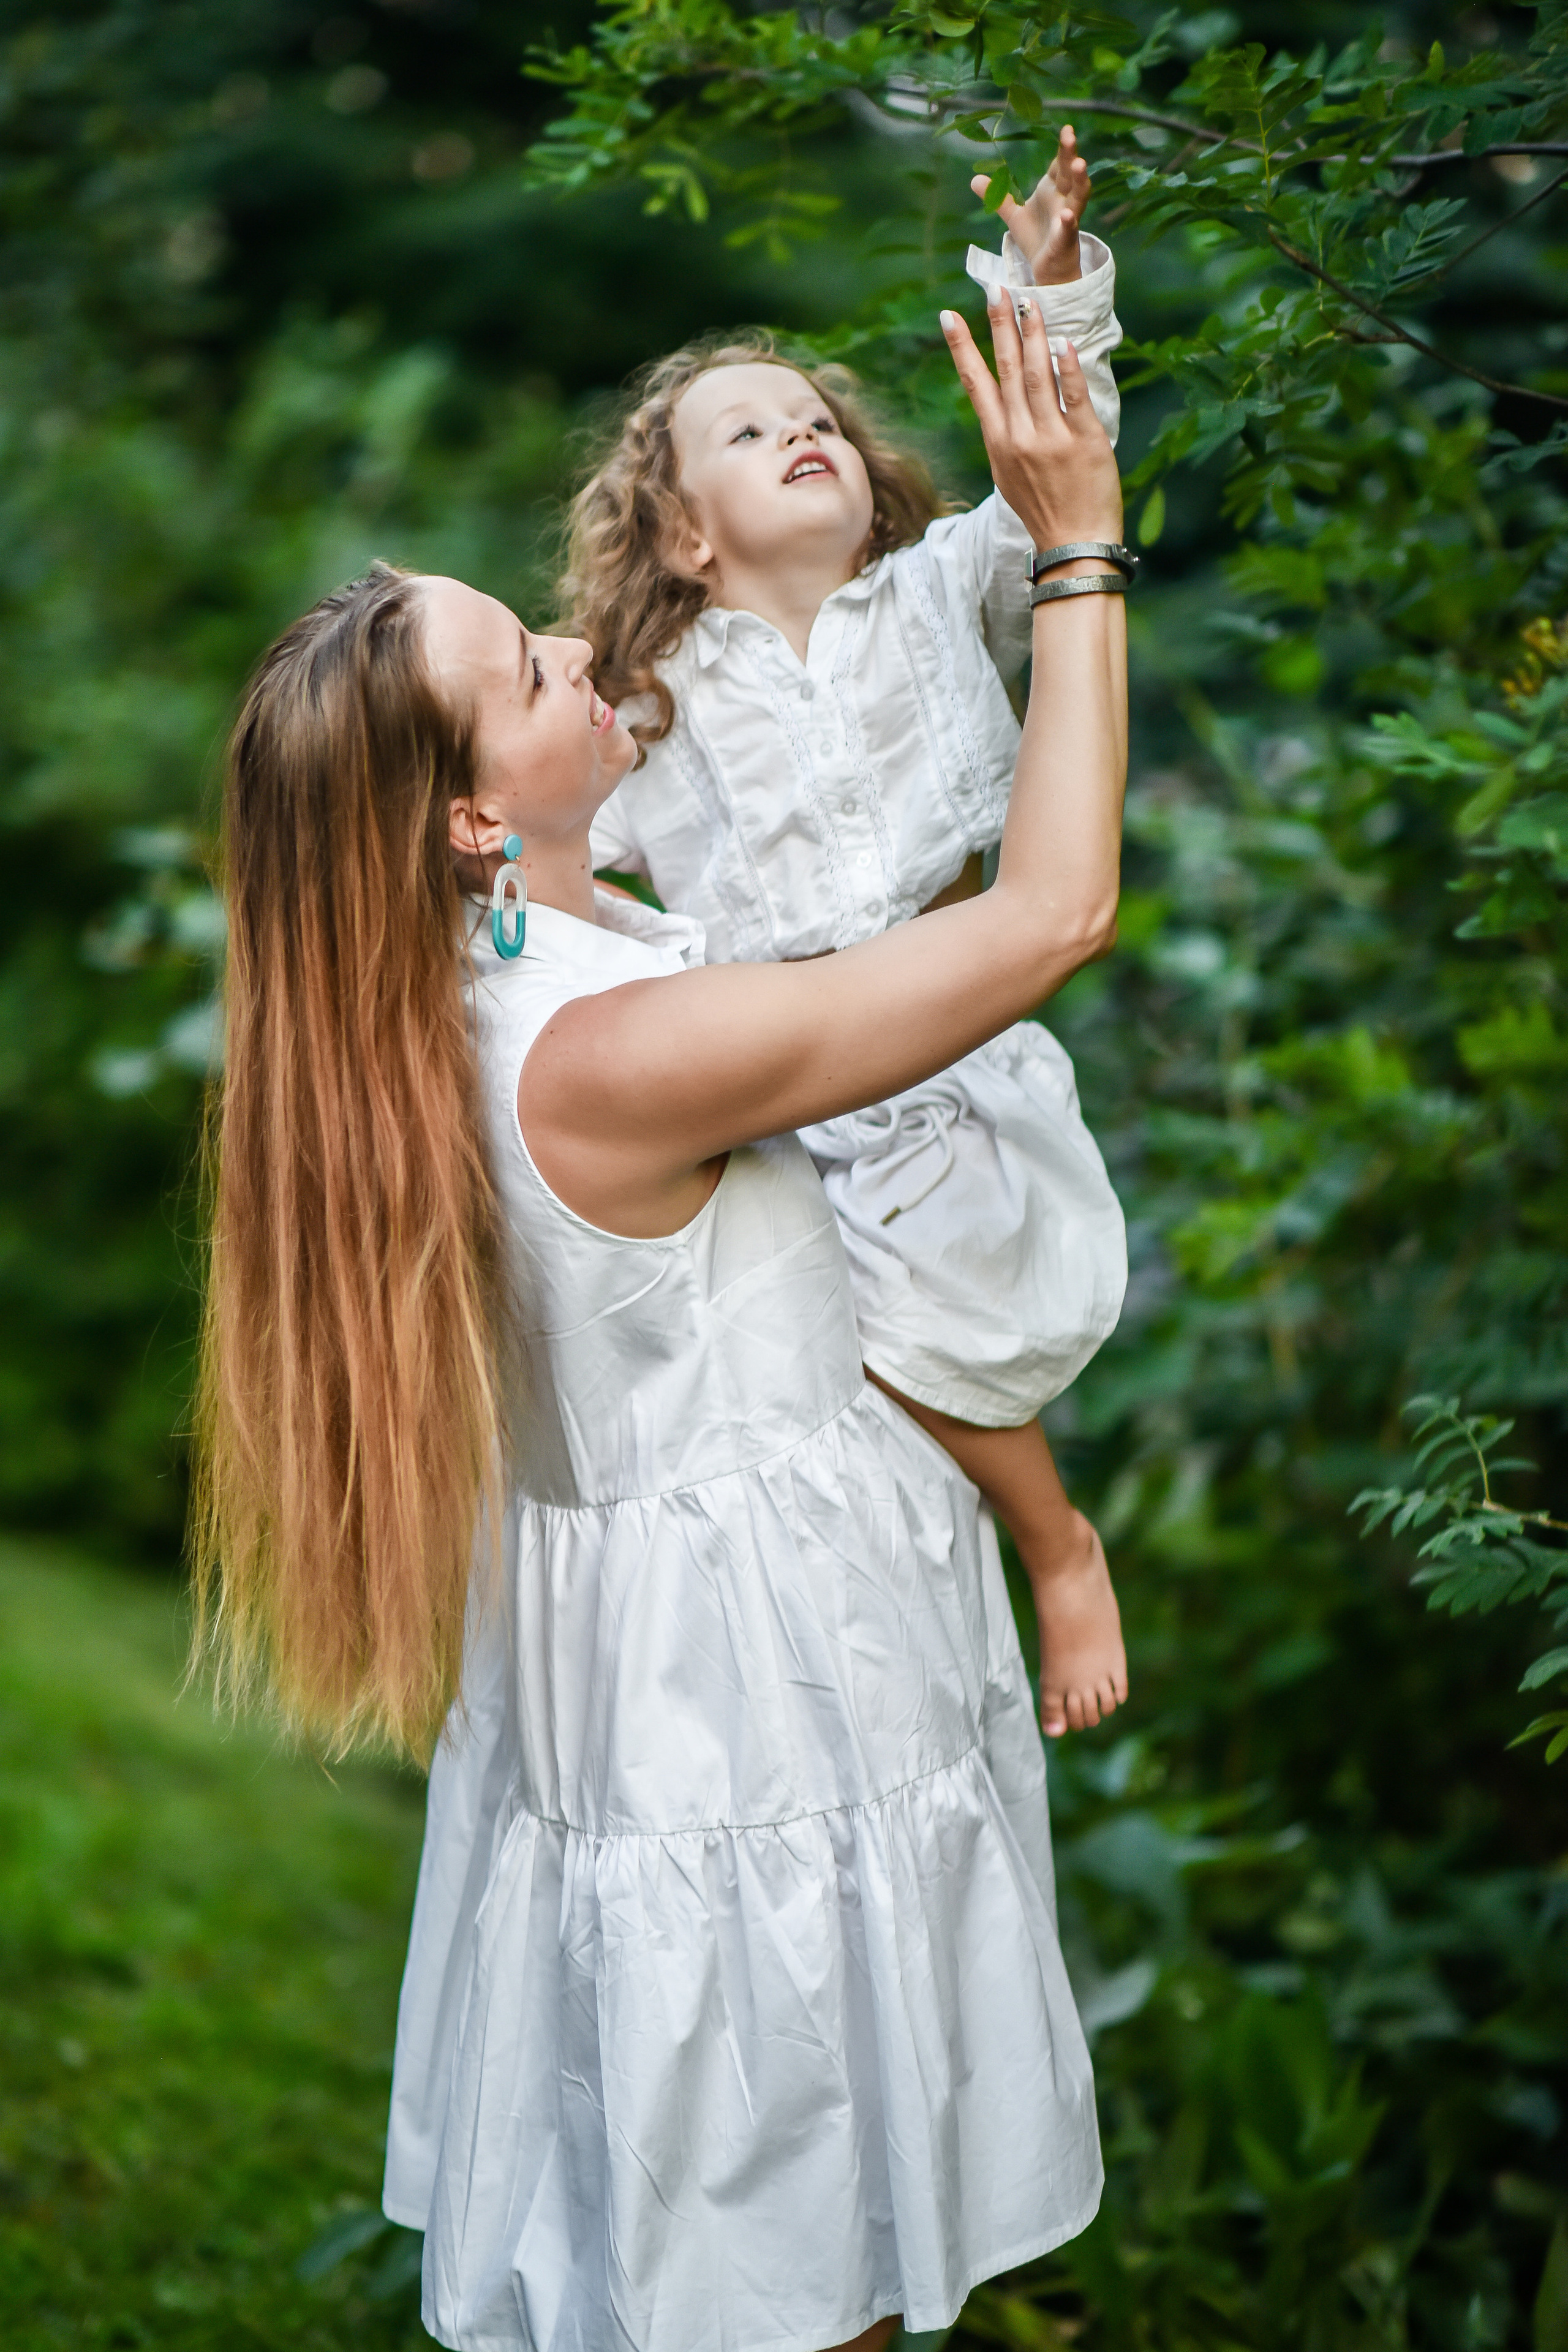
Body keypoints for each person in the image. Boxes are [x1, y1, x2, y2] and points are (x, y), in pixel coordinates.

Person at [194, 284, 1128, 2352]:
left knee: (713, 2215)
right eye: (526, 664)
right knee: (793, 2239)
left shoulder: (445, 1005)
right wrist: (1072, 543)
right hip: (759, 1710)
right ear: (463, 821)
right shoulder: (609, 1053)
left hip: (668, 1683)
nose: (572, 647)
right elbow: (1051, 914)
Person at [564, 132, 1129, 1741]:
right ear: (684, 536)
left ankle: (1053, 1539)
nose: (801, 432)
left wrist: (1051, 291)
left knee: (933, 1289)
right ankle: (1048, 1539)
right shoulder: (656, 703)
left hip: (952, 1024)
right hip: (772, 1072)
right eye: (747, 432)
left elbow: (1063, 477)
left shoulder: (946, 589)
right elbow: (557, 857)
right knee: (832, 1330)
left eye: (816, 419)